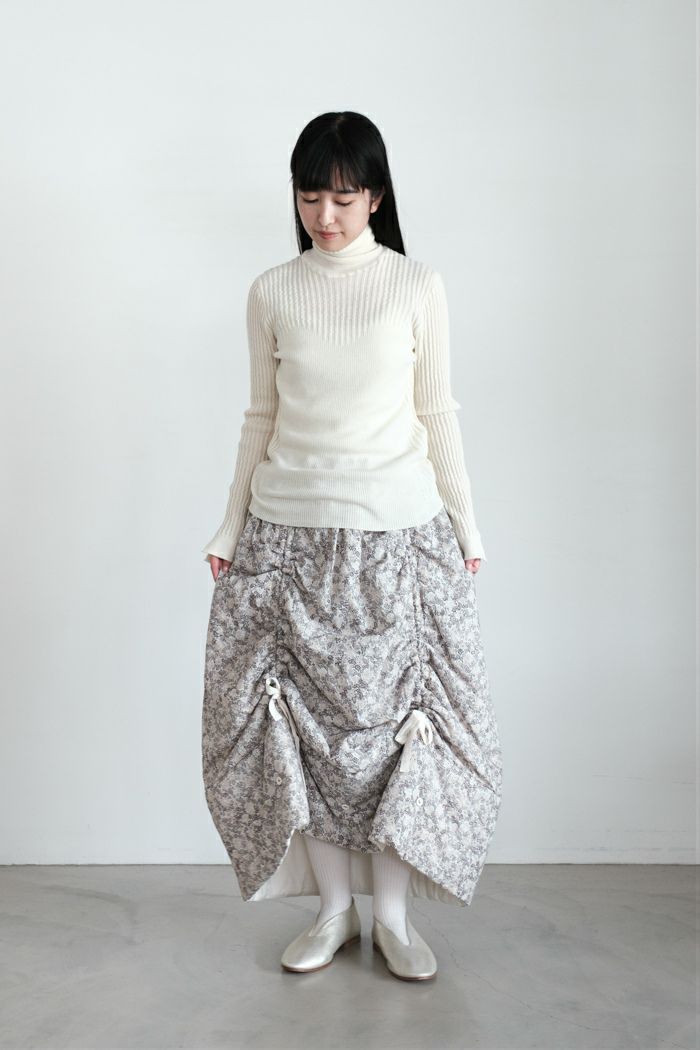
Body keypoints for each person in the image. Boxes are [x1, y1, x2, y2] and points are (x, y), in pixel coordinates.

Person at [201, 111, 503, 982]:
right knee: (307, 732)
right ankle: (334, 914)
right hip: (286, 542)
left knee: (400, 733)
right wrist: (228, 527)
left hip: (398, 539)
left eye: (342, 197)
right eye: (309, 197)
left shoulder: (416, 285)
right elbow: (260, 416)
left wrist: (467, 525)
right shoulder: (272, 291)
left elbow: (436, 411)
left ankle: (395, 921)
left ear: (375, 196)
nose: (324, 216)